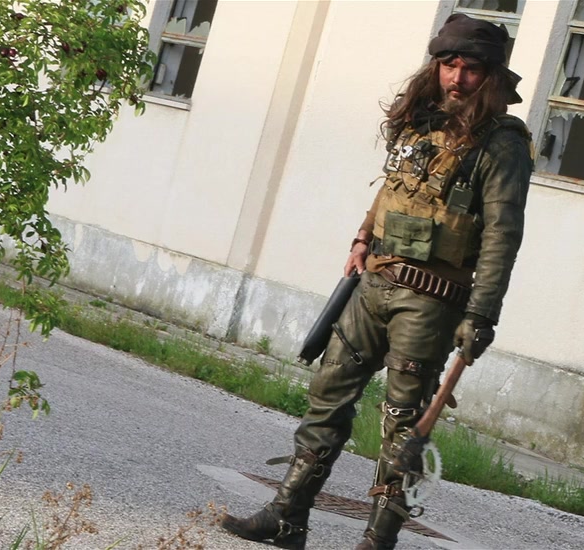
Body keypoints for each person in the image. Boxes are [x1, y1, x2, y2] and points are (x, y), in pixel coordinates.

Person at [219, 13, 533, 550]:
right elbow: (393, 188)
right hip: (374, 284)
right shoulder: (420, 119)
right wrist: (363, 237)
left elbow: (503, 235)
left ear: (492, 76)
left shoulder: (502, 145)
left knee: (402, 425)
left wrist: (482, 314)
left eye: (471, 69)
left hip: (431, 302)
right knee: (326, 398)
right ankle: (286, 518)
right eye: (449, 65)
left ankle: (377, 541)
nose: (457, 79)